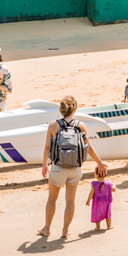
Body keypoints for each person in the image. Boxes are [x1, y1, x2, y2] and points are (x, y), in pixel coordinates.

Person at [39, 96, 108, 238]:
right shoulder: (81, 125)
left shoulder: (53, 125)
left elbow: (47, 147)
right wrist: (99, 163)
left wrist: (44, 164)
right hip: (75, 168)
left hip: (58, 168)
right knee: (70, 200)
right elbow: (88, 148)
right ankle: (65, 230)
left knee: (52, 199)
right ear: (75, 109)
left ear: (61, 109)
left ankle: (47, 228)